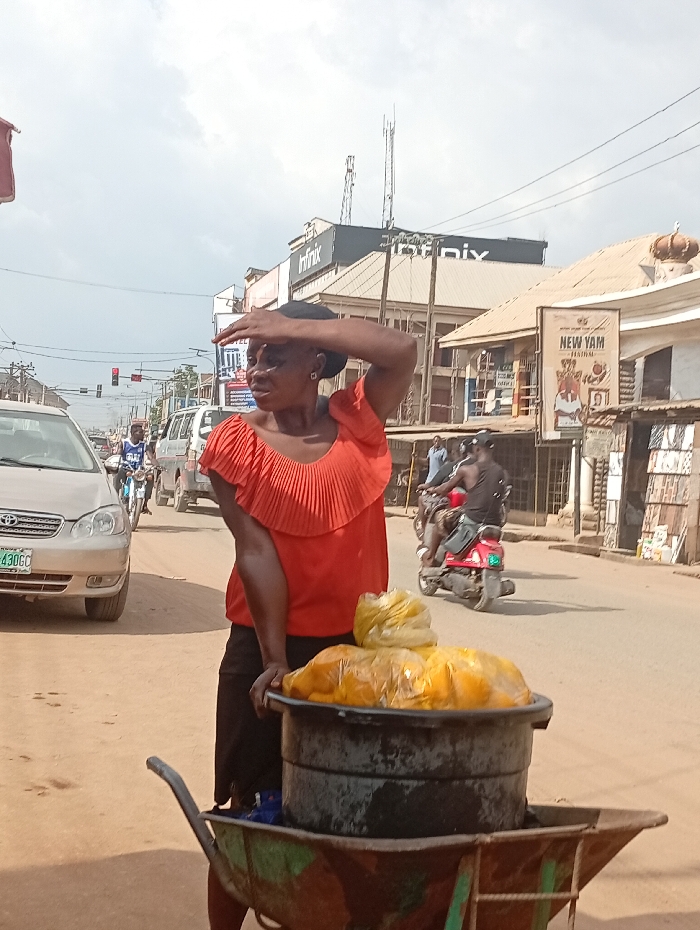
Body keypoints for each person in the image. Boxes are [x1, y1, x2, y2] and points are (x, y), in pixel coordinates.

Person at [198, 300, 416, 930]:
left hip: (353, 654)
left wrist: (288, 323)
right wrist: (274, 661)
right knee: (247, 816)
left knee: (345, 810)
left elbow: (402, 350)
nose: (257, 370)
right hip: (263, 650)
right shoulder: (234, 443)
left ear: (316, 362)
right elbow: (255, 552)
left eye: (275, 356)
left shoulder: (357, 417)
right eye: (253, 357)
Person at [421, 430, 508, 566]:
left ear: (477, 448)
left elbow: (445, 488)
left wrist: (433, 489)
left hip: (472, 519)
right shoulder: (502, 472)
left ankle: (430, 557)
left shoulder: (468, 470)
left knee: (440, 518)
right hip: (495, 522)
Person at [113, 423, 155, 514]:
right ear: (133, 433)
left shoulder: (144, 445)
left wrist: (157, 465)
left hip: (139, 470)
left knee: (150, 477)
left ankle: (145, 504)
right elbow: (118, 455)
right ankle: (114, 498)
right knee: (117, 475)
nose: (143, 434)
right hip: (126, 468)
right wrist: (116, 461)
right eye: (141, 432)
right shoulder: (123, 443)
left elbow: (151, 457)